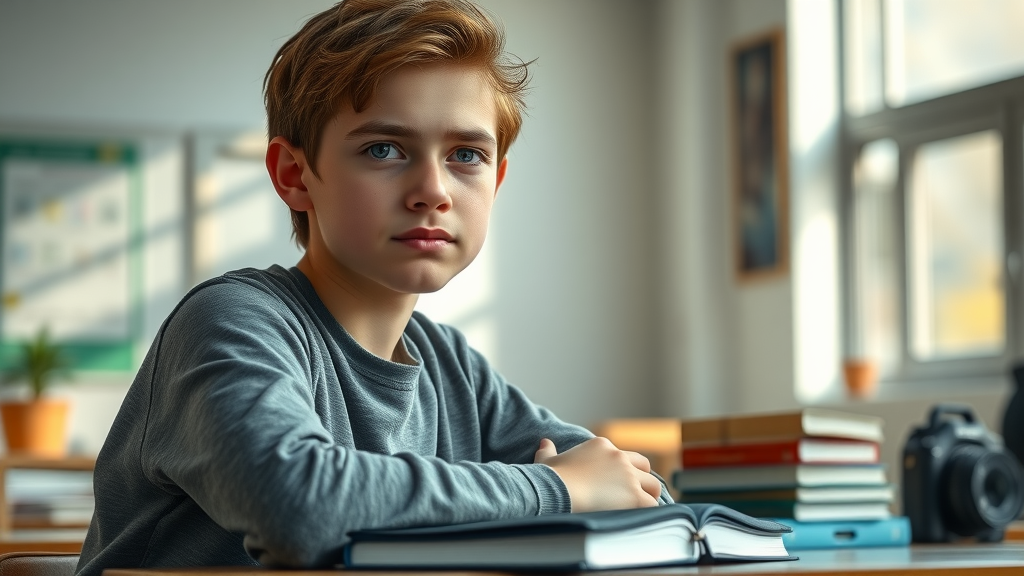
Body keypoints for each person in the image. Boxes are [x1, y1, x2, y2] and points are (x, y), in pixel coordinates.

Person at [75, 1, 670, 574]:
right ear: (294, 175)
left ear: (497, 181)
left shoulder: (451, 367)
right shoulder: (232, 320)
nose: (432, 190)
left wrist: (584, 487)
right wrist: (554, 489)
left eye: (466, 154)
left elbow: (632, 489)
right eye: (383, 149)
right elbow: (301, 508)